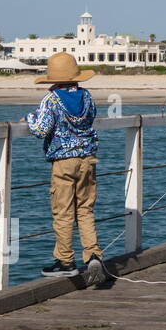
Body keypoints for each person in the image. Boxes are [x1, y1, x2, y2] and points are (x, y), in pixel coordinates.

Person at [23, 53, 106, 282]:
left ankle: (65, 261)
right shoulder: (87, 96)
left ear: (53, 79)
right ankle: (93, 256)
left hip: (63, 161)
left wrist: (30, 117)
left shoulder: (51, 99)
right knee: (85, 210)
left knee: (63, 212)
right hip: (87, 158)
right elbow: (91, 118)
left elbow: (40, 129)